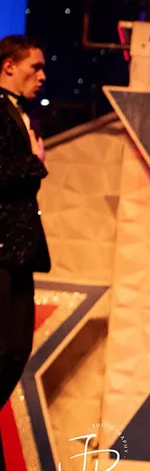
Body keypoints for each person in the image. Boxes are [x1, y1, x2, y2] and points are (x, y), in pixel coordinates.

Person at [0, 35, 49, 471]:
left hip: (18, 251)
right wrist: (34, 161)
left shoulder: (21, 114)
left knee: (15, 351)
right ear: (8, 66)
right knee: (3, 348)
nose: (42, 76)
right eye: (34, 67)